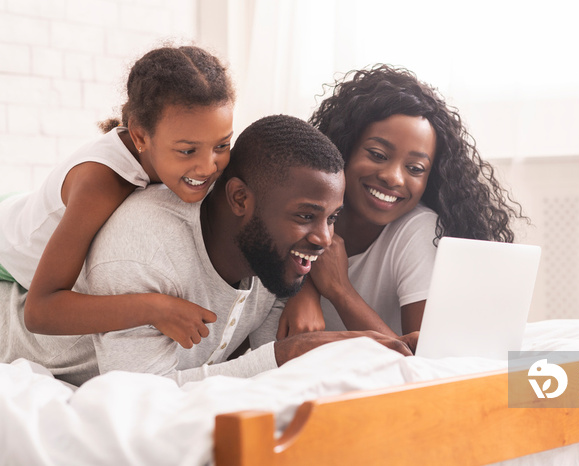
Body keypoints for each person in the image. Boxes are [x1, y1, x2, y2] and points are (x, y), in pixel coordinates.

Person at [0, 115, 416, 387]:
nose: (325, 239)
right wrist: (287, 354)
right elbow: (140, 393)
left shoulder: (275, 258)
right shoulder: (143, 246)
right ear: (239, 199)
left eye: (332, 218)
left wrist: (363, 348)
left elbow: (276, 370)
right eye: (307, 216)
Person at [0, 45, 236, 349]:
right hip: (8, 238)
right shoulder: (99, 184)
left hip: (27, 203)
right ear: (139, 136)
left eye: (222, 145)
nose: (208, 167)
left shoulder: (197, 153)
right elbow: (40, 312)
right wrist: (155, 308)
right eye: (187, 151)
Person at [279, 65, 526, 339]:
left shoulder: (418, 230)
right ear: (342, 148)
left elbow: (423, 361)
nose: (393, 178)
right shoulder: (297, 212)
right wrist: (303, 289)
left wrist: (340, 291)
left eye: (416, 168)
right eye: (378, 154)